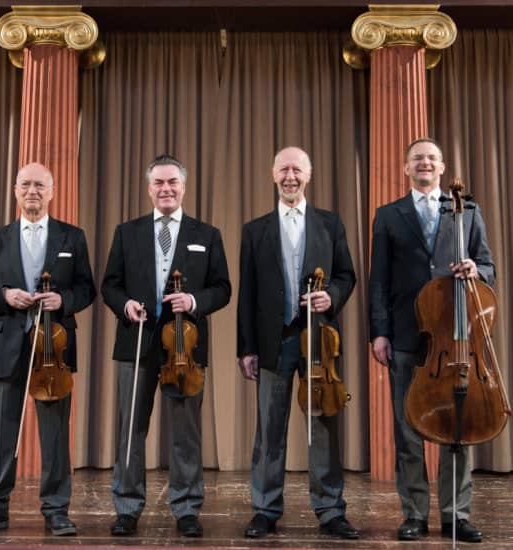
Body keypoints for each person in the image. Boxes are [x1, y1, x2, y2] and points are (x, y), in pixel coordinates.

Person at [369, 138, 494, 543]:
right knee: (408, 428)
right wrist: (380, 332)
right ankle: (415, 514)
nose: (424, 163)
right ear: (406, 169)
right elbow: (379, 281)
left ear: (442, 168)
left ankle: (456, 514)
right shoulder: (387, 215)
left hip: (456, 335)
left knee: (456, 426)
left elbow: (488, 266)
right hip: (407, 334)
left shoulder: (467, 211)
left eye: (431, 158)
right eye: (417, 158)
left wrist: (476, 269)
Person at [0, 162, 96, 537]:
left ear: (51, 192)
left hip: (53, 350)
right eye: (26, 185)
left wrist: (62, 300)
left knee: (54, 434)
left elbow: (87, 289)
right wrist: (6, 295)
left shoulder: (73, 237)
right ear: (15, 191)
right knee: (1, 432)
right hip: (8, 346)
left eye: (40, 185)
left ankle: (56, 510)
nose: (32, 191)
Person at [102, 154, 231, 538]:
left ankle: (187, 508)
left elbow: (222, 288)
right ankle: (127, 506)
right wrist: (125, 305)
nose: (166, 189)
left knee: (185, 431)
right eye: (158, 183)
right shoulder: (127, 232)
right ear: (149, 189)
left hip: (184, 349)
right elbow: (110, 284)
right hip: (137, 343)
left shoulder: (206, 234)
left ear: (183, 186)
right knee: (131, 430)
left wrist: (193, 302)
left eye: (172, 182)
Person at [237, 146, 358, 540]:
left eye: (297, 170)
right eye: (284, 170)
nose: (290, 176)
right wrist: (246, 348)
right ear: (274, 175)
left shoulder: (330, 224)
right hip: (274, 343)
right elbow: (248, 295)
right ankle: (265, 508)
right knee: (269, 430)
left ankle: (330, 510)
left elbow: (346, 275)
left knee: (323, 425)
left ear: (309, 176)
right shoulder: (255, 230)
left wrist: (332, 297)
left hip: (319, 342)